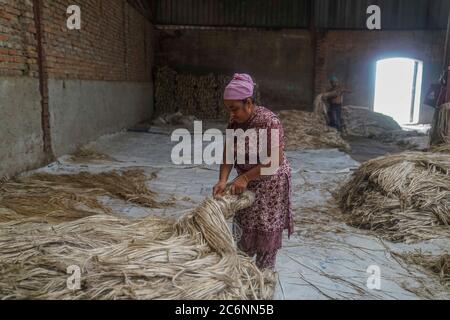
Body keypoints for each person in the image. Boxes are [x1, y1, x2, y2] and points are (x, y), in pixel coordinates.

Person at [212, 73, 293, 270]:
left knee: (264, 232)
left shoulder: (269, 121)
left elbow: (275, 161)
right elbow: (228, 154)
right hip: (246, 182)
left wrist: (246, 177)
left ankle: (263, 281)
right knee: (243, 232)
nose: (231, 114)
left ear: (248, 102)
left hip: (269, 184)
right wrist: (223, 180)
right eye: (228, 110)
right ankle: (242, 273)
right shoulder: (234, 123)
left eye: (234, 109)